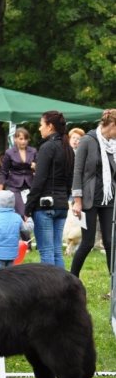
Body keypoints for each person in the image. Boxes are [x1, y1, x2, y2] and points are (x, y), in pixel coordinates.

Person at [25, 111, 74, 268]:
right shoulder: (68, 148)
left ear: (50, 126)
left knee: (46, 252)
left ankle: (51, 292)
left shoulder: (47, 147)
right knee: (57, 251)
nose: (40, 128)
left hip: (45, 206)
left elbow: (39, 181)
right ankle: (62, 290)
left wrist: (28, 207)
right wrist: (64, 198)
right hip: (61, 205)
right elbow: (70, 180)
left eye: (41, 124)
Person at [70, 109, 116, 278]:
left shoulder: (113, 145)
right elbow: (78, 171)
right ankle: (72, 279)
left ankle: (114, 284)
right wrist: (77, 200)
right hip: (89, 199)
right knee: (87, 243)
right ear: (111, 125)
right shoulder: (87, 141)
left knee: (110, 242)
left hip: (109, 198)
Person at [0, 190, 34, 268]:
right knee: (9, 276)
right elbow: (27, 229)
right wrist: (30, 218)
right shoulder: (17, 217)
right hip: (12, 255)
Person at [0, 127, 37, 217]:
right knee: (21, 212)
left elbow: (39, 167)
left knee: (31, 212)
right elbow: (3, 172)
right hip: (14, 186)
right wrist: (0, 190)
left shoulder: (33, 151)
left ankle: (26, 229)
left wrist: (35, 167)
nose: (23, 141)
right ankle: (23, 228)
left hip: (30, 185)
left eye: (25, 139)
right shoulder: (9, 153)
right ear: (15, 139)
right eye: (21, 139)